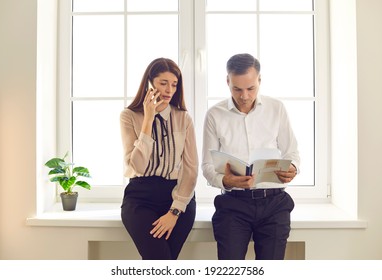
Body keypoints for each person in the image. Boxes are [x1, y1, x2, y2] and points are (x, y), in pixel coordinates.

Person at [202, 53, 300, 260]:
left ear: (260, 81)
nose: (244, 96)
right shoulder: (214, 114)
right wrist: (224, 180)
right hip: (233, 204)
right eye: (237, 89)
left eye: (251, 88)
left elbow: (292, 152)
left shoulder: (277, 109)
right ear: (227, 81)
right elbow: (207, 165)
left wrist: (293, 169)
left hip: (274, 204)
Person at [120, 58, 198, 260]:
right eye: (163, 83)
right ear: (149, 83)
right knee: (160, 261)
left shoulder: (184, 118)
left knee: (162, 263)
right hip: (140, 197)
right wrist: (148, 119)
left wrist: (174, 212)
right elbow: (137, 165)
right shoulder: (128, 116)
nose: (169, 90)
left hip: (178, 197)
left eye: (174, 84)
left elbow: (191, 170)